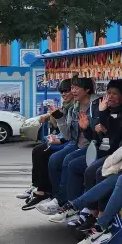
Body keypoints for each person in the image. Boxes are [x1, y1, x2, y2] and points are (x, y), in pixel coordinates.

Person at [48, 77, 122, 226]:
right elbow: (101, 136)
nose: (109, 96)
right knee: (77, 164)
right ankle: (81, 209)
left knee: (97, 171)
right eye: (108, 93)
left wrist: (103, 121)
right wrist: (91, 125)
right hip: (114, 151)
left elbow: (115, 136)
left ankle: (96, 214)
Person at [36, 77, 100, 215]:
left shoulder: (96, 105)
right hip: (76, 143)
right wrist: (58, 117)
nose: (72, 91)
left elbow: (97, 133)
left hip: (92, 145)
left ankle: (64, 201)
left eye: (76, 88)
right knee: (52, 158)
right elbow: (67, 135)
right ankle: (55, 197)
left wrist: (87, 126)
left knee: (69, 161)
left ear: (87, 89)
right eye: (72, 88)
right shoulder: (74, 108)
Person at [19, 79, 75, 209]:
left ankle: (49, 192)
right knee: (39, 150)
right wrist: (50, 116)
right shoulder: (67, 105)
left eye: (67, 91)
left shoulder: (75, 106)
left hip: (72, 141)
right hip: (66, 138)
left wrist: (60, 138)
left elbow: (69, 130)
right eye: (62, 91)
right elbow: (61, 124)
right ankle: (38, 187)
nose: (64, 94)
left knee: (48, 154)